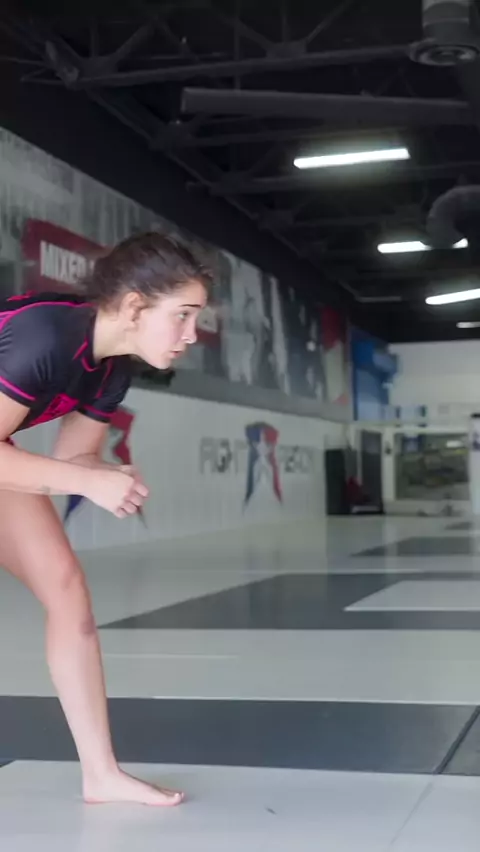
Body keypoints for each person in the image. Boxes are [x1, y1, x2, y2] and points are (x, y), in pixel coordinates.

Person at [0, 232, 212, 806]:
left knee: (67, 591)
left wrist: (104, 474)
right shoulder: (46, 337)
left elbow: (73, 460)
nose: (193, 334)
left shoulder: (112, 368)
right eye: (183, 315)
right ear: (136, 306)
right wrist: (87, 481)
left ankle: (101, 774)